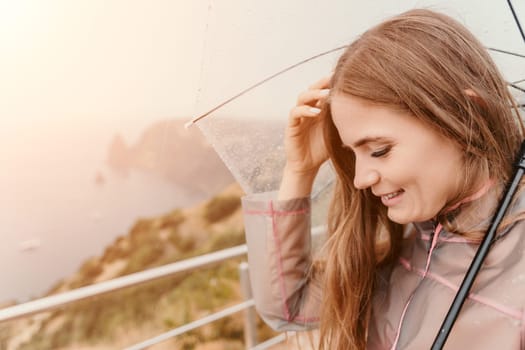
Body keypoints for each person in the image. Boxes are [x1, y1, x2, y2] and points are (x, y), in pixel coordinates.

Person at [241, 8, 525, 350]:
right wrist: (299, 171)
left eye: (378, 150)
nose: (360, 178)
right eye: (351, 154)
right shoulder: (410, 244)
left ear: (467, 118)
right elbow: (289, 308)